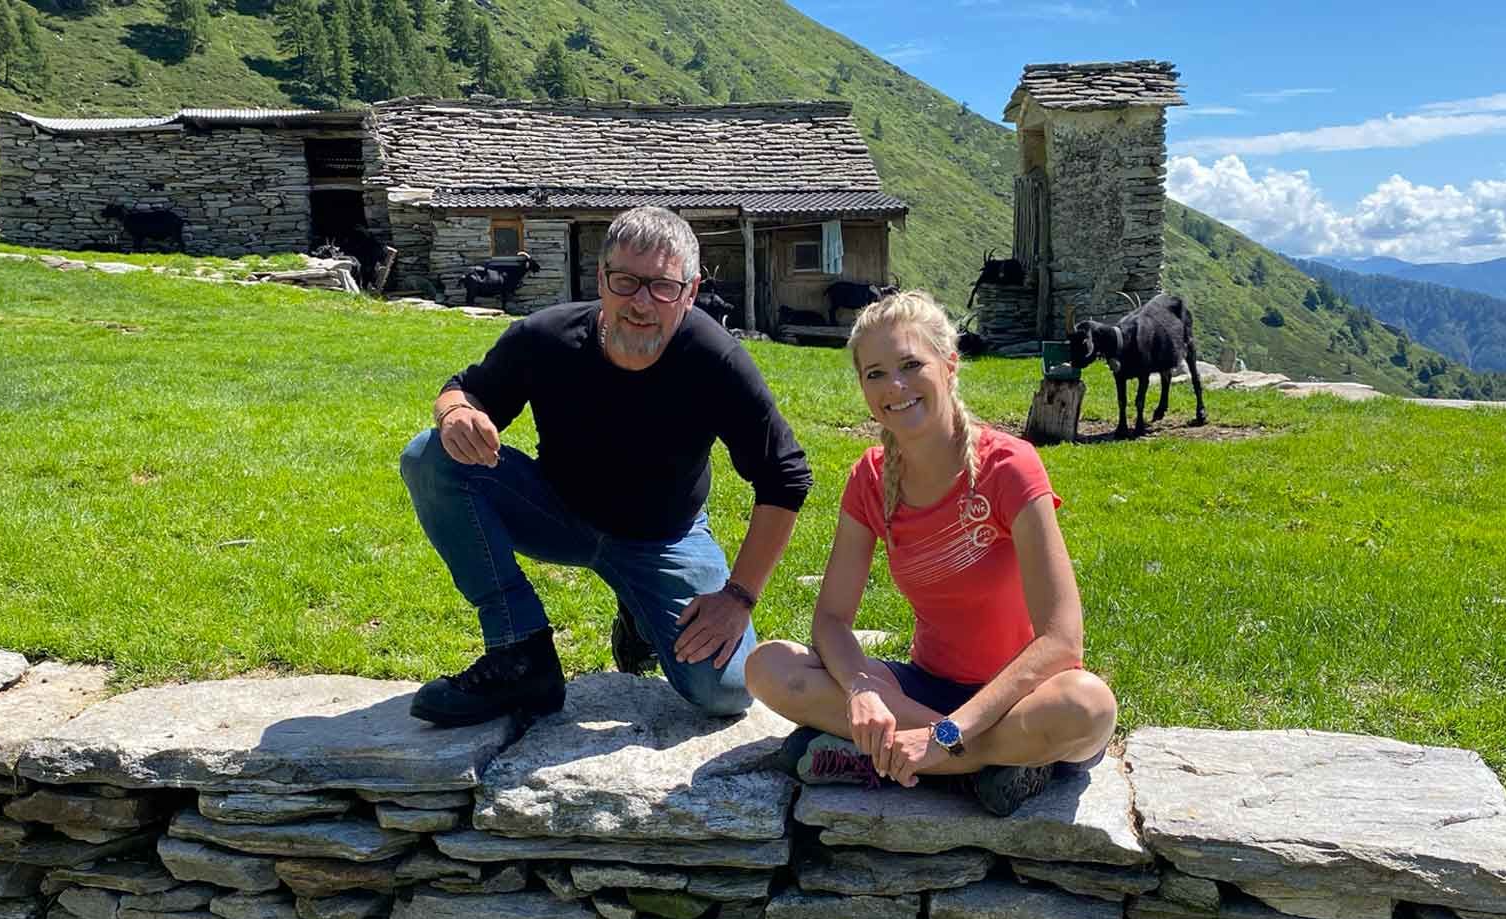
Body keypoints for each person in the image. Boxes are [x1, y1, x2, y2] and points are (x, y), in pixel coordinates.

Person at [400, 207, 812, 725]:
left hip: (666, 540)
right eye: (625, 282)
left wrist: (738, 596)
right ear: (601, 280)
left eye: (662, 286)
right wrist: (456, 412)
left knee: (724, 691)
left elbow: (785, 478)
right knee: (430, 455)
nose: (641, 303)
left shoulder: (716, 361)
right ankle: (520, 650)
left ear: (690, 290)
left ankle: (640, 617)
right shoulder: (545, 337)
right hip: (557, 514)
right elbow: (467, 390)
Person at [744, 290, 1114, 815]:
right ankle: (979, 768)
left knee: (1088, 706)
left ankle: (904, 758)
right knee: (767, 666)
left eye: (911, 364)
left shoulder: (1010, 466)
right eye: (874, 374)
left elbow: (1061, 640)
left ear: (949, 365)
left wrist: (947, 734)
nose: (894, 386)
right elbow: (829, 620)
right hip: (923, 693)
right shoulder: (869, 478)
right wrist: (863, 691)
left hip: (1016, 700)